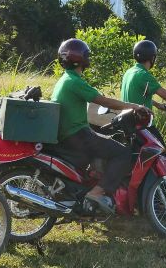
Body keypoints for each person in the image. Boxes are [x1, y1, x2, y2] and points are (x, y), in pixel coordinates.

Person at [52, 38, 148, 213]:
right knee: (123, 153)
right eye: (86, 55)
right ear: (80, 58)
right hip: (77, 135)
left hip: (71, 134)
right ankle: (97, 192)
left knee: (106, 141)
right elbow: (102, 100)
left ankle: (95, 189)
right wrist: (133, 106)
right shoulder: (75, 81)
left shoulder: (66, 79)